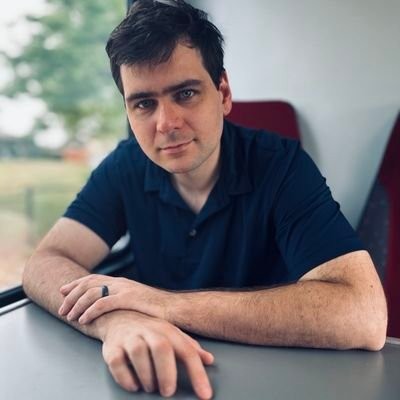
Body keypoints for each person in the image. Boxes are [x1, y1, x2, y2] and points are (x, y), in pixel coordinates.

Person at [23, 0, 387, 399]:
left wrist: (163, 305)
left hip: (273, 375)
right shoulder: (125, 166)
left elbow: (364, 315)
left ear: (223, 93)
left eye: (185, 93)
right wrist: (119, 321)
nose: (166, 124)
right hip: (163, 375)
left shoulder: (281, 165)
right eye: (144, 104)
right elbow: (44, 262)